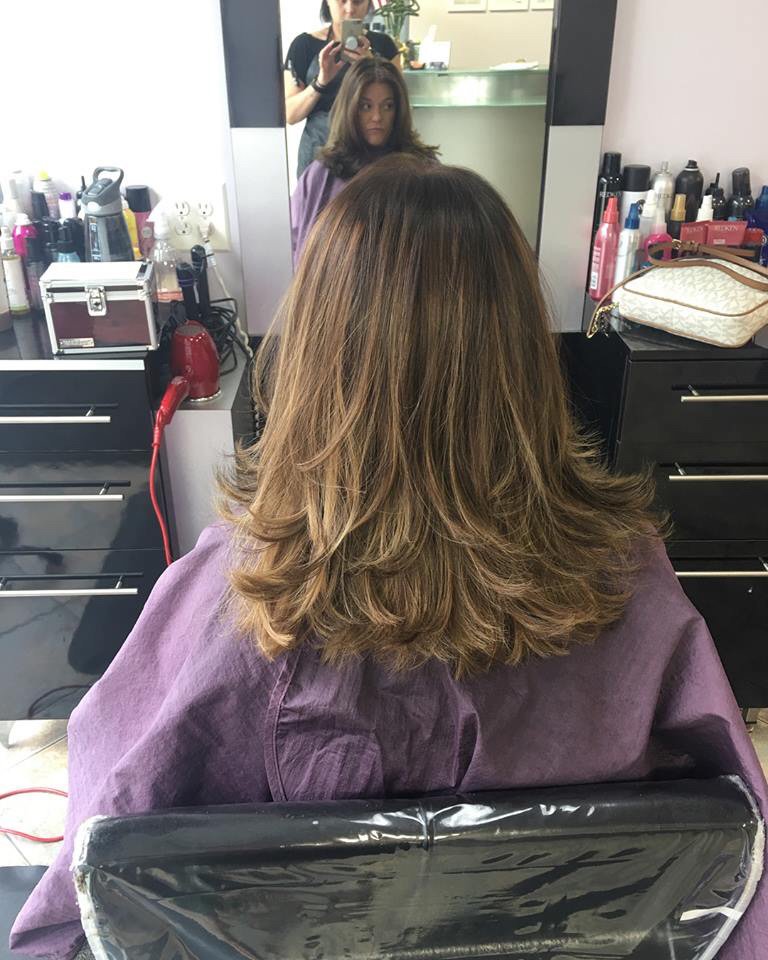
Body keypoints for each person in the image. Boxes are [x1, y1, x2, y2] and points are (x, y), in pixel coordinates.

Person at [10, 159, 767, 960]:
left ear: (317, 352)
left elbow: (89, 891)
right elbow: (733, 873)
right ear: (522, 354)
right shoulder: (628, 579)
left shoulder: (238, 593)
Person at [290, 57, 437, 265]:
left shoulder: (424, 169)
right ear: (350, 108)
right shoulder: (321, 175)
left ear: (399, 110)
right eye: (366, 106)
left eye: (388, 106)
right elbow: (296, 244)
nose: (377, 117)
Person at [284, 0, 400, 177]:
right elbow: (290, 114)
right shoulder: (304, 45)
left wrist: (371, 66)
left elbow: (399, 104)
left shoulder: (384, 45)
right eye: (342, 1)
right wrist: (320, 82)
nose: (350, 9)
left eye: (358, 1)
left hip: (373, 157)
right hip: (319, 155)